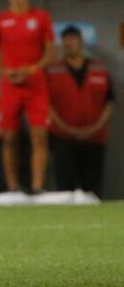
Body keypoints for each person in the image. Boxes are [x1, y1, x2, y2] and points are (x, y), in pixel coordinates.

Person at [0, 0, 55, 193]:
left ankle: (37, 186)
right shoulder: (0, 20)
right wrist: (4, 71)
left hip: (36, 84)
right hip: (10, 85)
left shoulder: (41, 17)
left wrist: (32, 69)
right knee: (8, 136)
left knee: (40, 135)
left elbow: (50, 53)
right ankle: (12, 186)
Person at [47, 26, 115, 198]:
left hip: (94, 137)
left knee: (92, 186)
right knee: (65, 186)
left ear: (81, 41)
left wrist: (94, 128)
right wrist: (66, 129)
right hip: (62, 138)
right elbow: (47, 105)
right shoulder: (52, 70)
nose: (70, 43)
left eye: (73, 38)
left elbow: (109, 102)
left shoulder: (100, 69)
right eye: (66, 40)